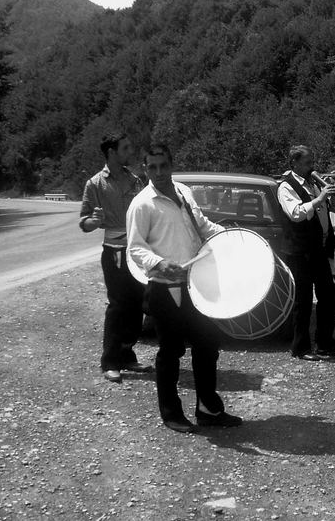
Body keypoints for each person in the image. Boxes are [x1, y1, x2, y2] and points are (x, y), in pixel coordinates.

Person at [127, 143, 241, 433]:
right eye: (152, 167)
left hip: (195, 284)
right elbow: (135, 249)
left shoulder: (183, 192)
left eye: (163, 165)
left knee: (208, 344)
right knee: (170, 351)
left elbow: (201, 225)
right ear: (145, 169)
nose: (159, 172)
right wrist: (160, 262)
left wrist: (231, 235)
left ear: (171, 164)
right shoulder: (142, 204)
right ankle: (171, 414)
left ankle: (208, 410)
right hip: (165, 289)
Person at [79, 132, 150, 384]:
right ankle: (109, 361)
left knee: (137, 303)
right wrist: (93, 221)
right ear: (111, 152)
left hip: (137, 251)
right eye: (126, 148)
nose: (130, 152)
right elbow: (84, 222)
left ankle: (126, 355)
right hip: (114, 252)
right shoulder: (95, 184)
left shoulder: (135, 180)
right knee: (118, 306)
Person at [277, 146, 335, 361]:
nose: (312, 166)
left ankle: (325, 342)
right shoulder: (285, 187)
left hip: (318, 249)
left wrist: (332, 194)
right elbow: (296, 213)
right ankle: (301, 348)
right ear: (295, 163)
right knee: (303, 301)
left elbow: (334, 209)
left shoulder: (313, 183)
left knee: (327, 296)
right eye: (307, 163)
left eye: (312, 161)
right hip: (299, 251)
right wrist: (319, 198)